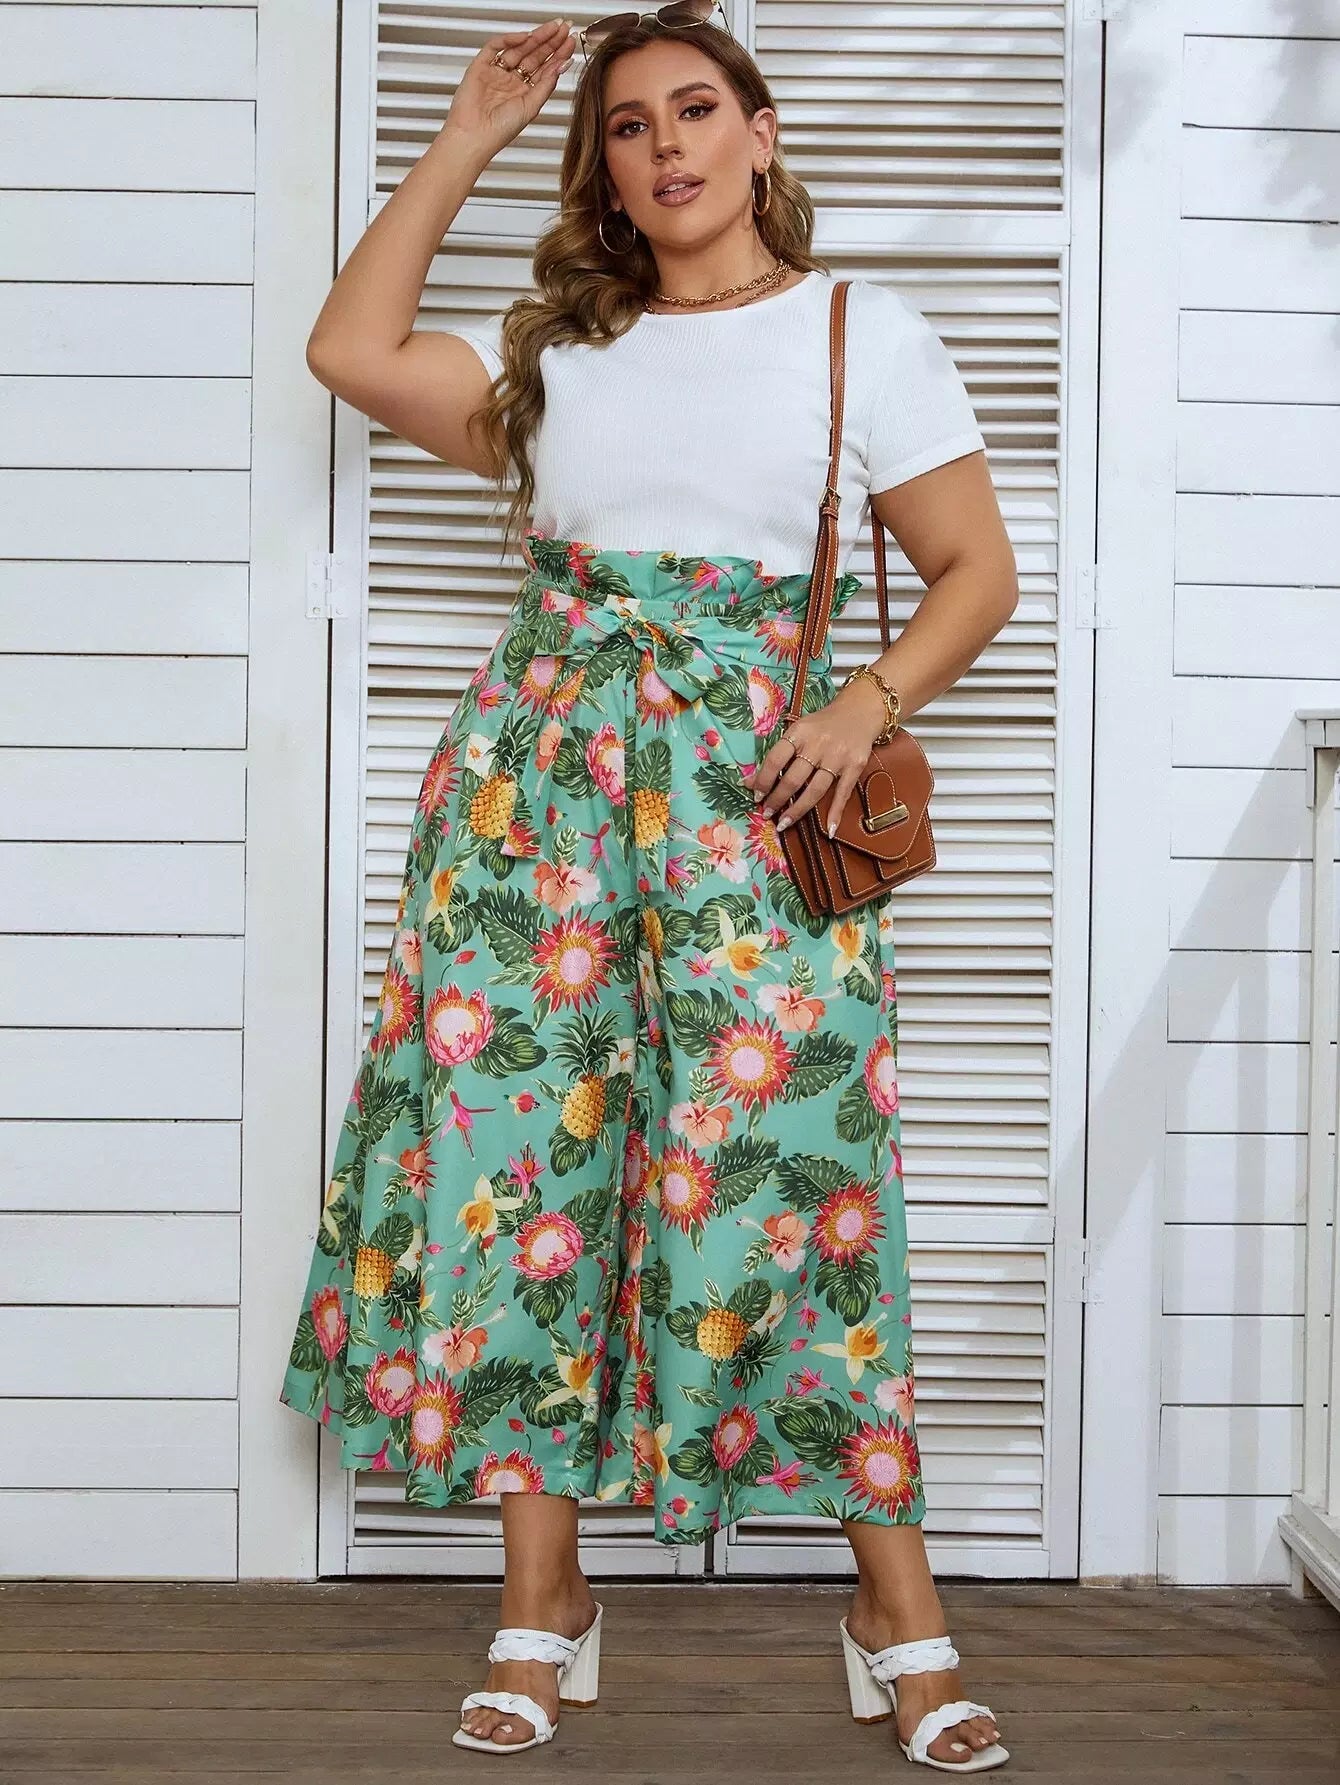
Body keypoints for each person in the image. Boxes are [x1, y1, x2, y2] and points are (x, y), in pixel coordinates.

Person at [281, 4, 1017, 1770]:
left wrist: (866, 696)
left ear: (761, 133)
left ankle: (895, 1609)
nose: (667, 145)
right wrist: (468, 134)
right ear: (603, 171)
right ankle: (545, 1602)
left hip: (758, 806)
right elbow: (348, 347)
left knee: (799, 1179)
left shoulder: (863, 333)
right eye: (627, 126)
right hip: (532, 806)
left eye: (697, 109)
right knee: (522, 1172)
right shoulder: (559, 354)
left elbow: (977, 571)